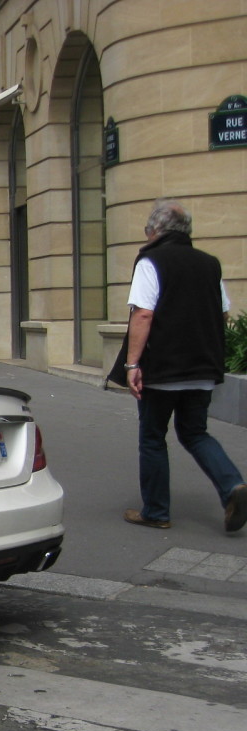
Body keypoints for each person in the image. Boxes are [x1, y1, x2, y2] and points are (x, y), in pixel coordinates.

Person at [115, 198, 247, 533]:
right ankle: (232, 486)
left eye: (147, 229)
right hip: (202, 367)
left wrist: (132, 365)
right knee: (195, 432)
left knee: (153, 437)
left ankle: (156, 512)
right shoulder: (209, 263)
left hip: (162, 369)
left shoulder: (151, 260)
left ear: (156, 230)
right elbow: (222, 314)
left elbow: (143, 314)